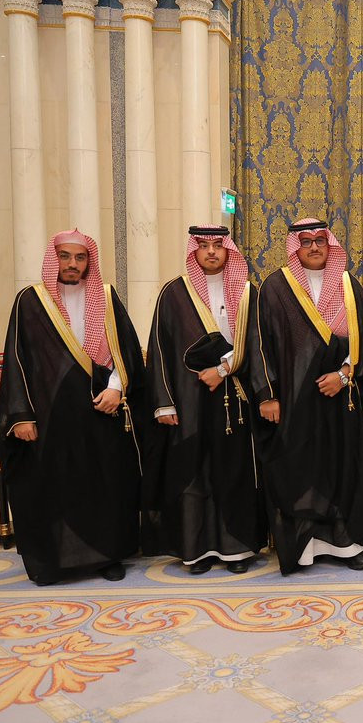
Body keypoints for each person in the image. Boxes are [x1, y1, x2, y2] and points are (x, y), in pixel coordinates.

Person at [0, 230, 145, 585]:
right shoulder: (31, 301)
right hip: (51, 416)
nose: (72, 264)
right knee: (56, 487)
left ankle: (108, 556)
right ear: (54, 259)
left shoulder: (106, 297)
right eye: (65, 256)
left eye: (80, 257)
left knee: (105, 485)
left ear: (89, 261)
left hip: (101, 413)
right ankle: (56, 562)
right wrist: (21, 415)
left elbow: (127, 350)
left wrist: (116, 389)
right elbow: (17, 360)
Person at [250, 218, 363, 574]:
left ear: (330, 244)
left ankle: (348, 545)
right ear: (295, 247)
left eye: (320, 240)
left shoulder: (348, 286)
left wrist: (344, 376)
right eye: (306, 241)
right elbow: (260, 344)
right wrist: (267, 395)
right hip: (293, 402)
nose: (314, 247)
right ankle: (304, 547)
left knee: (344, 470)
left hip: (341, 400)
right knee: (300, 471)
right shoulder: (275, 287)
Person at [141, 226, 265, 574]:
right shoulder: (173, 293)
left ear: (228, 250)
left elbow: (257, 344)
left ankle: (236, 550)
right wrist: (164, 402)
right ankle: (196, 552)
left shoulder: (247, 293)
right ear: (193, 250)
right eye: (204, 245)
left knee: (233, 473)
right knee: (193, 477)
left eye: (218, 245)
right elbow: (160, 348)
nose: (211, 252)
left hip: (234, 402)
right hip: (188, 402)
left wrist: (224, 369)